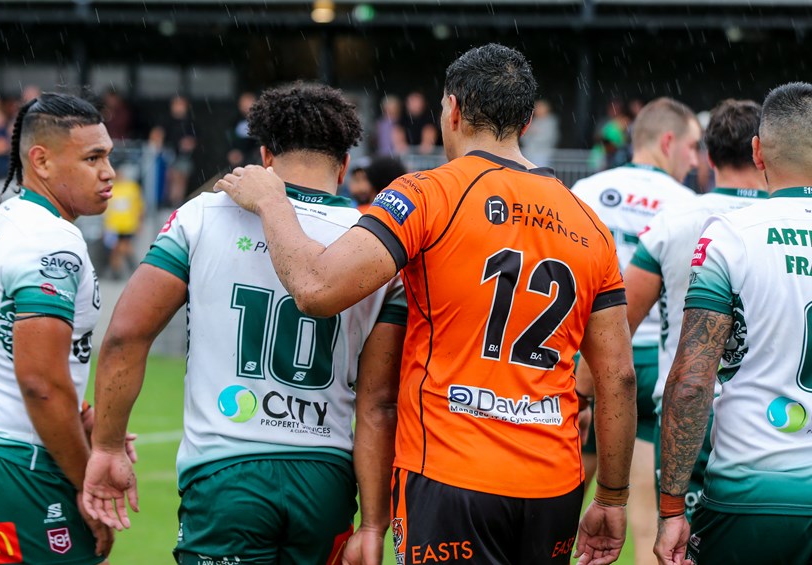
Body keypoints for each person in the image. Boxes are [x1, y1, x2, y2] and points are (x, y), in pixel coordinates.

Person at [216, 43, 636, 565]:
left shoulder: (427, 193)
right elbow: (617, 376)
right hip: (552, 486)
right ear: (526, 121)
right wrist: (613, 497)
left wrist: (273, 199)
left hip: (449, 478)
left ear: (453, 110)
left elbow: (317, 288)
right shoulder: (589, 223)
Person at [82, 82, 407, 565]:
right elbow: (379, 403)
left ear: (264, 157)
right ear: (343, 165)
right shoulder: (377, 246)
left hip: (225, 470)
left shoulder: (205, 214)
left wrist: (107, 445)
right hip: (324, 476)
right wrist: (374, 522)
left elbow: (128, 335)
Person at [655, 82, 812, 565]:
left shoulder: (730, 236)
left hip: (747, 493)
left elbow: (691, 382)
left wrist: (671, 506)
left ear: (758, 152)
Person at [0, 92, 131, 564]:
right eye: (92, 158)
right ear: (40, 161)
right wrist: (91, 487)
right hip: (24, 464)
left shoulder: (10, 216)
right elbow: (39, 382)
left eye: (108, 156)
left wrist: (79, 409)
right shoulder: (50, 243)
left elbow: (5, 342)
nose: (109, 172)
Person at [622, 99, 766, 526]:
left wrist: (586, 389)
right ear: (762, 151)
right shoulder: (795, 222)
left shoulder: (673, 221)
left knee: (678, 546)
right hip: (770, 419)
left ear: (709, 154)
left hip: (688, 417)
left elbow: (619, 321)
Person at [571, 96, 700, 565]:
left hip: (587, 359)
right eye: (691, 147)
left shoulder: (584, 189)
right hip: (655, 361)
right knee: (648, 513)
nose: (694, 160)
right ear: (668, 142)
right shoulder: (689, 204)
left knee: (564, 494)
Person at [102, 162, 145, 279]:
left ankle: (133, 269)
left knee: (124, 247)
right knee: (115, 250)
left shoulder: (132, 187)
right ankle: (117, 272)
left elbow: (139, 206)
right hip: (113, 225)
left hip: (128, 225)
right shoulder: (110, 187)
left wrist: (139, 223)